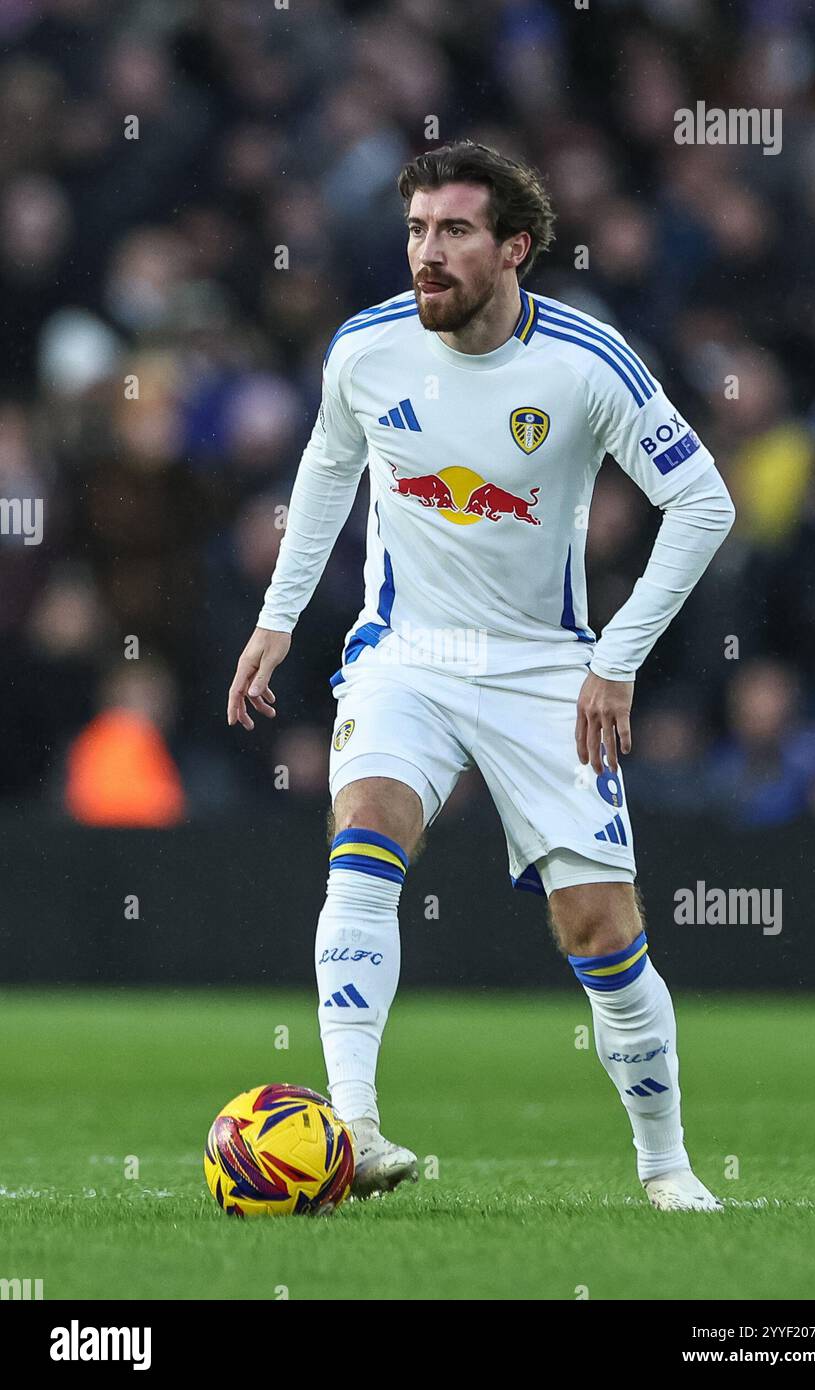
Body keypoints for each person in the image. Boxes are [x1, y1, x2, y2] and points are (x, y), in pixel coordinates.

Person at [227, 142, 735, 1211]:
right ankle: (352, 1127)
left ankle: (666, 1166)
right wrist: (278, 621)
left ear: (515, 249)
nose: (426, 253)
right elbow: (326, 471)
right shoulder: (366, 351)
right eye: (415, 229)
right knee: (365, 835)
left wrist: (616, 659)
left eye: (453, 231)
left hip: (546, 669)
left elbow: (705, 505)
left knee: (603, 932)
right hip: (403, 651)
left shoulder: (587, 364)